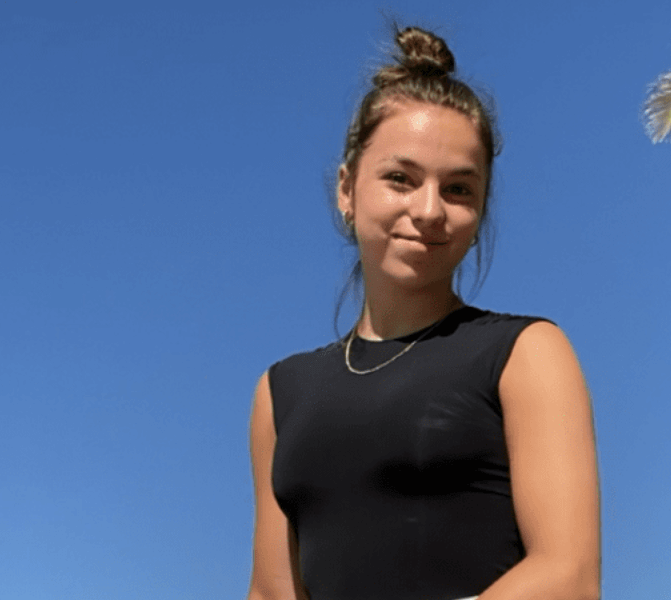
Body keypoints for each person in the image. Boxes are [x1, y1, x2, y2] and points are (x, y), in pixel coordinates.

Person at [246, 26, 600, 600]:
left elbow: (569, 577)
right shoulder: (280, 394)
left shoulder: (525, 353)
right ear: (346, 189)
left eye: (458, 189)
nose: (430, 210)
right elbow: (271, 591)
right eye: (400, 179)